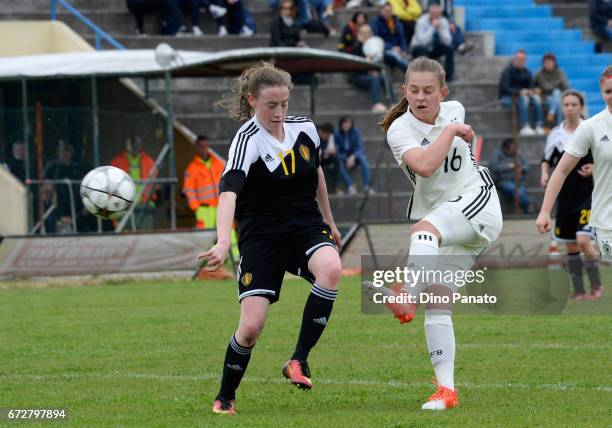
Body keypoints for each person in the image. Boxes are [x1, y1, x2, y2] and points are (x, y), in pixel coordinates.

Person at [199, 62, 342, 415]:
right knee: (250, 327)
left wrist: (329, 220)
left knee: (331, 268)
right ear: (252, 100)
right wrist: (221, 242)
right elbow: (229, 194)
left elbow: (318, 173)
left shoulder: (304, 128)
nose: (279, 113)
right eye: (271, 106)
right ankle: (225, 397)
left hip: (304, 226)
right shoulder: (246, 141)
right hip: (261, 237)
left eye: (284, 104)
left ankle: (298, 361)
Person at [379, 57, 503, 410]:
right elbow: (425, 166)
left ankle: (405, 296)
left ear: (443, 93)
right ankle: (446, 392)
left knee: (424, 230)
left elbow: (444, 151)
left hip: (478, 202)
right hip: (450, 218)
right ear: (405, 91)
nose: (421, 97)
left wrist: (450, 128)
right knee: (438, 301)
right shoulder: (399, 130)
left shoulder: (455, 109)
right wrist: (450, 132)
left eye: (428, 91)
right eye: (414, 90)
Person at [537, 66, 612, 290]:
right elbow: (560, 170)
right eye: (609, 91)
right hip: (607, 220)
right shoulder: (590, 127)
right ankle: (582, 288)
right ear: (601, 91)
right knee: (574, 245)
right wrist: (544, 211)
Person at [110, 136, 158, 230]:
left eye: (136, 144)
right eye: (131, 144)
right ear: (126, 145)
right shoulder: (117, 162)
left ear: (141, 145)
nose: (134, 147)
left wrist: (150, 200)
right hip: (124, 207)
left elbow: (154, 185)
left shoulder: (149, 162)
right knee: (125, 237)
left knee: (144, 236)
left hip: (144, 206)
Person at [42, 141, 88, 233]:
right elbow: (46, 191)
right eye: (62, 151)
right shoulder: (52, 167)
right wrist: (59, 216)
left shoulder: (77, 168)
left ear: (71, 153)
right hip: (57, 212)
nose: (64, 154)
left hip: (76, 211)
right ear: (58, 153)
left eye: (67, 151)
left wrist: (81, 213)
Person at [499, 49, 545, 136]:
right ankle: (524, 126)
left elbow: (531, 86)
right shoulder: (507, 71)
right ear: (514, 59)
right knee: (523, 99)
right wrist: (519, 92)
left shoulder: (527, 72)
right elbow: (505, 88)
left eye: (522, 60)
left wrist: (532, 91)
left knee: (537, 98)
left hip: (524, 98)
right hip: (507, 98)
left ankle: (539, 125)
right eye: (518, 59)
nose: (520, 61)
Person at [346, 23, 389, 113]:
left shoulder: (374, 46)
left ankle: (392, 102)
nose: (367, 35)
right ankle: (376, 104)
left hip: (371, 74)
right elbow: (355, 65)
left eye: (369, 32)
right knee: (375, 78)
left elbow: (379, 63)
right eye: (364, 32)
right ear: (359, 34)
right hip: (358, 76)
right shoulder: (356, 46)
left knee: (384, 77)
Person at [410, 4, 454, 82]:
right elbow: (422, 41)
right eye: (433, 14)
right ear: (429, 13)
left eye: (438, 14)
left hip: (434, 47)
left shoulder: (443, 21)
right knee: (421, 49)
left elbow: (448, 41)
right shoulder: (421, 21)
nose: (436, 16)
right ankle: (422, 78)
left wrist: (439, 29)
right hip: (418, 48)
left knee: (449, 49)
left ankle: (448, 77)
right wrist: (432, 28)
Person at [488, 138, 531, 214]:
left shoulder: (517, 154)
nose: (514, 151)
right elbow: (494, 168)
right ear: (506, 149)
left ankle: (527, 210)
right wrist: (508, 167)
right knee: (519, 193)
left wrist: (521, 168)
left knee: (521, 192)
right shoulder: (497, 154)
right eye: (512, 149)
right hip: (504, 181)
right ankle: (529, 208)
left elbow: (527, 166)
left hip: (519, 181)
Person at [335, 116, 373, 195]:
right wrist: (346, 158)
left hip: (355, 157)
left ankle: (367, 186)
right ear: (341, 124)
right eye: (344, 123)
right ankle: (350, 186)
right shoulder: (337, 134)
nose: (346, 125)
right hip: (343, 158)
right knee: (338, 163)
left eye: (348, 123)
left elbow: (360, 148)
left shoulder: (356, 132)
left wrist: (352, 157)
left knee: (363, 158)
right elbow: (337, 151)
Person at [370, 2, 410, 72]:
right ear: (380, 11)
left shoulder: (395, 20)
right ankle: (411, 71)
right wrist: (391, 47)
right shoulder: (375, 21)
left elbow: (402, 37)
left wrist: (403, 49)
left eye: (390, 11)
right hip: (384, 50)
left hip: (398, 49)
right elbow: (377, 39)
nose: (388, 13)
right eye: (386, 11)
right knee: (395, 57)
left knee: (406, 56)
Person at [535, 52, 569, 127]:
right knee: (557, 97)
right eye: (546, 62)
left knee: (557, 96)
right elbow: (545, 87)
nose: (548, 64)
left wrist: (556, 88)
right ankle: (560, 125)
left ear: (554, 63)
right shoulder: (539, 74)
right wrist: (556, 85)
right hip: (545, 97)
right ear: (543, 63)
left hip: (560, 96)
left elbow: (565, 86)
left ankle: (551, 113)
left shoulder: (560, 72)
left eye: (550, 62)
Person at [318, 123, 341, 194]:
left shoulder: (331, 137)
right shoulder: (315, 136)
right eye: (326, 135)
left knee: (336, 160)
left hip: (326, 157)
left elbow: (334, 148)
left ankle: (336, 186)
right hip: (317, 158)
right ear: (322, 132)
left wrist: (333, 151)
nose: (327, 138)